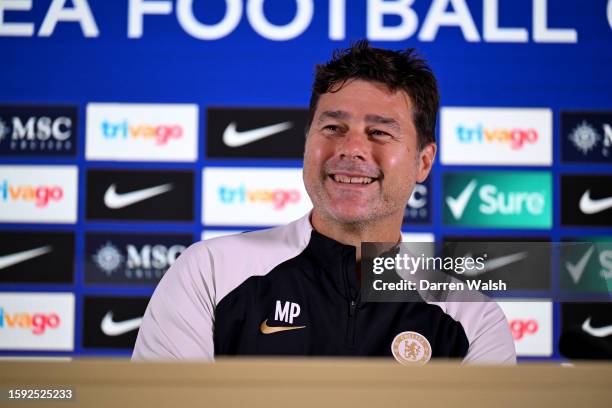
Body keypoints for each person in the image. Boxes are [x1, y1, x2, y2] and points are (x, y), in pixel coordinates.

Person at [132, 40, 516, 365]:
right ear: (307, 143)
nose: (350, 149)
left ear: (423, 161)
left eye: (379, 132)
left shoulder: (472, 319)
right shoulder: (209, 274)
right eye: (333, 127)